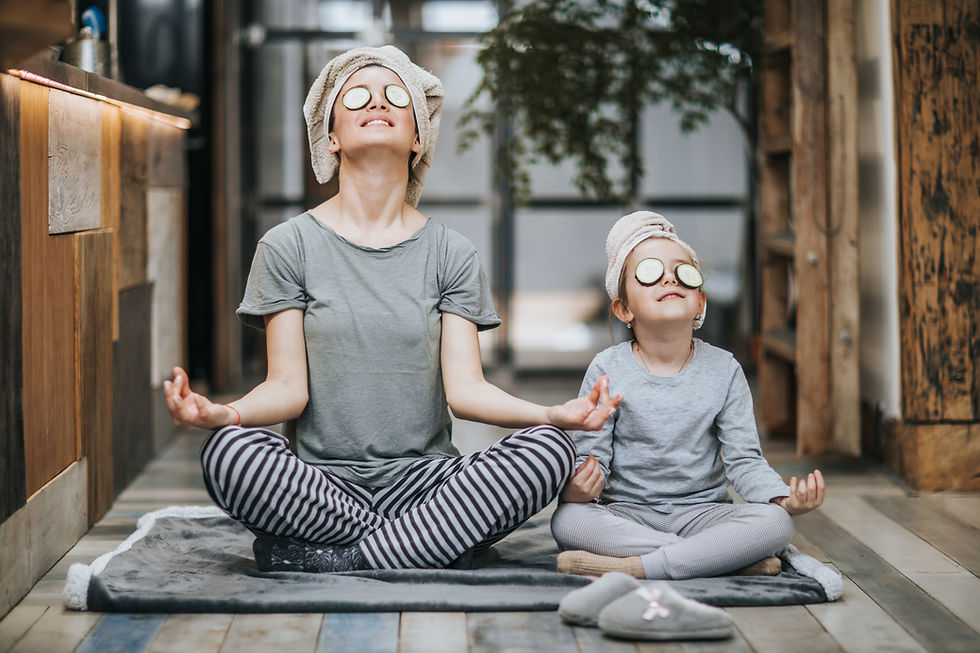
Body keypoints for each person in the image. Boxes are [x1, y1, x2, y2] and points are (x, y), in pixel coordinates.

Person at [163, 45, 621, 573]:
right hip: (321, 489)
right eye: (356, 95)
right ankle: (433, 543)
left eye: (396, 96)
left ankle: (345, 559)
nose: (376, 102)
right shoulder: (287, 246)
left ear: (419, 135)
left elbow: (466, 391)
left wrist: (552, 415)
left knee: (548, 449)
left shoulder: (452, 252)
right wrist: (226, 414)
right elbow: (288, 387)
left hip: (427, 484)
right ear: (330, 136)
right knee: (229, 454)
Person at [550, 211, 826, 579]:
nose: (669, 277)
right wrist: (580, 487)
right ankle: (719, 560)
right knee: (568, 521)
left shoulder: (725, 369)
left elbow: (744, 459)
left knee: (775, 523)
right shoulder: (606, 368)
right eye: (649, 272)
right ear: (623, 308)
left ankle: (640, 567)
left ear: (700, 302)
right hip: (629, 513)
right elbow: (591, 458)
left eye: (683, 272)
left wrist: (782, 498)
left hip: (704, 514)